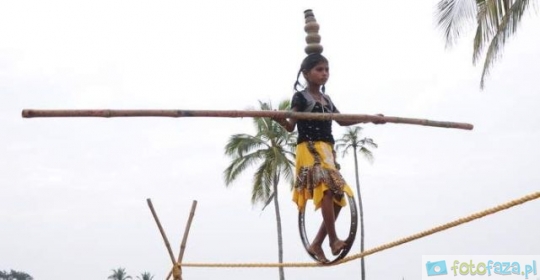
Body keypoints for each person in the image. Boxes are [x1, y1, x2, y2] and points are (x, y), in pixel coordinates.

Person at [273, 52, 384, 263]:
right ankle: (333, 240)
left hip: (327, 150)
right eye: (319, 70)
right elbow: (289, 126)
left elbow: (343, 120)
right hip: (309, 149)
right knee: (325, 188)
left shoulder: (327, 99)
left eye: (327, 70)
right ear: (306, 74)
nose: (324, 74)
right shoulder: (301, 98)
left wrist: (369, 119)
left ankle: (316, 243)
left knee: (339, 197)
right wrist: (278, 118)